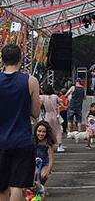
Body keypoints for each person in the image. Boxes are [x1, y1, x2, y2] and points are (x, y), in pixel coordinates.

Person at [0, 44, 40, 201]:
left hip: (0, 142)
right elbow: (35, 113)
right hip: (22, 140)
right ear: (21, 59)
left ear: (2, 60)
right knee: (17, 186)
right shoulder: (31, 81)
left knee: (1, 187)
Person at [40, 83, 64, 152]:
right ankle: (59, 146)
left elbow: (40, 105)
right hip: (55, 115)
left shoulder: (43, 97)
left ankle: (49, 145)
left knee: (48, 130)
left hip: (48, 114)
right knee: (58, 130)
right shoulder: (55, 96)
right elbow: (61, 101)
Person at [33, 120, 55, 186]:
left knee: (44, 175)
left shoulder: (48, 143)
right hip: (34, 162)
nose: (41, 134)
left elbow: (51, 159)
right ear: (36, 131)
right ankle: (34, 185)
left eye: (44, 132)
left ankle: (42, 185)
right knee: (36, 173)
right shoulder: (33, 141)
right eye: (39, 131)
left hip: (45, 163)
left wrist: (48, 170)